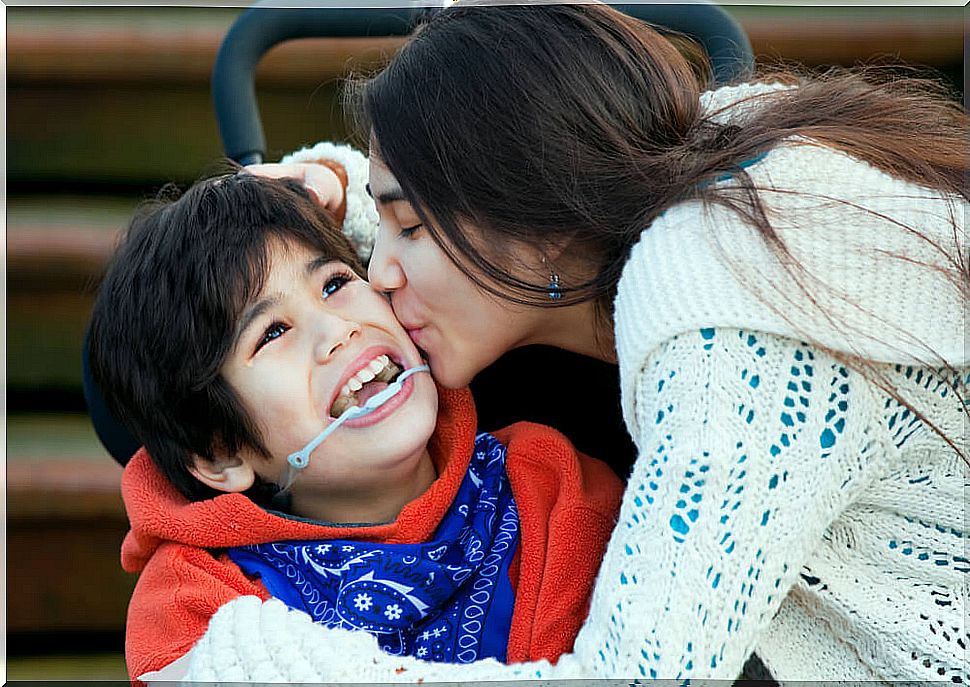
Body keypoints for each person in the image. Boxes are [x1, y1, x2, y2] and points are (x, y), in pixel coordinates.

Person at [179, 2, 969, 684]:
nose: (378, 273)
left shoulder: (728, 339)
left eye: (408, 227)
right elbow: (467, 203)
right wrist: (335, 189)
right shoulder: (718, 147)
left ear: (543, 220)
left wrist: (259, 659)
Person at [86, 168, 623, 683]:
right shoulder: (195, 599)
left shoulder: (548, 487)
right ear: (222, 456)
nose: (338, 330)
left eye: (334, 283)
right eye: (272, 332)